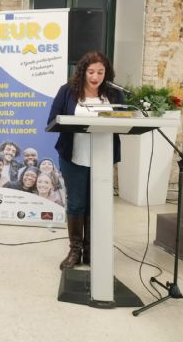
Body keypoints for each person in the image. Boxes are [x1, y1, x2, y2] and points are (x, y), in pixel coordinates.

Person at [47, 51, 123, 269]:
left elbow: (125, 118)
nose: (96, 76)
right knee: (77, 202)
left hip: (103, 156)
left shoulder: (113, 94)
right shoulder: (68, 91)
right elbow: (53, 120)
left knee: (95, 203)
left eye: (100, 72)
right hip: (74, 155)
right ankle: (75, 250)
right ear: (83, 71)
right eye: (91, 71)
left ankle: (90, 250)